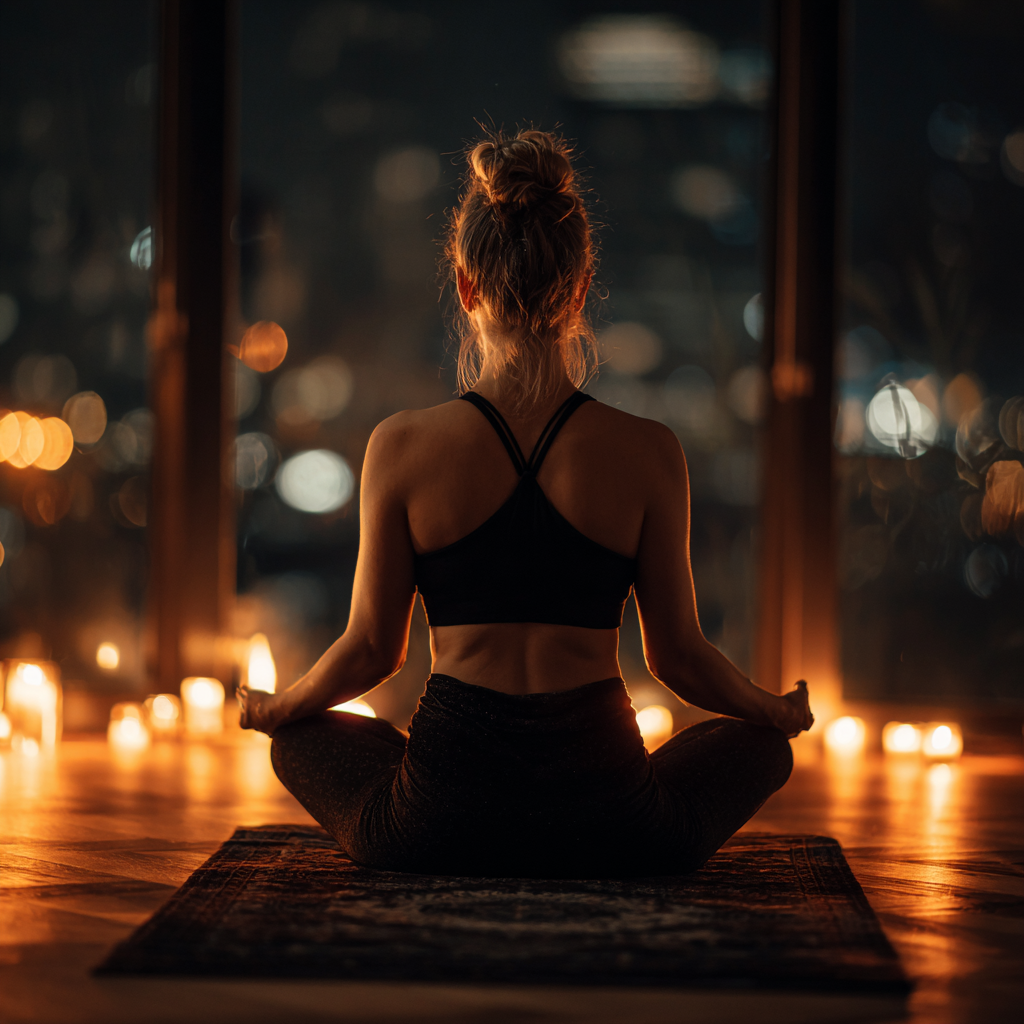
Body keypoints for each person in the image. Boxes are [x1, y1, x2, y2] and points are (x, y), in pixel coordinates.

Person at [238, 129, 813, 879]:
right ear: (579, 290)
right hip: (612, 819)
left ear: (466, 286)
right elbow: (678, 658)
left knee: (303, 740)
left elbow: (373, 651)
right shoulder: (649, 451)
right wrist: (771, 711)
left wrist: (282, 708)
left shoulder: (401, 445)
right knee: (761, 748)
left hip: (437, 818)